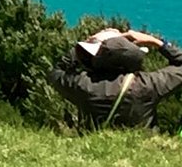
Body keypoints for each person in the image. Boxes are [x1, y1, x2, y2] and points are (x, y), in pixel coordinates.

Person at [49, 27, 182, 130]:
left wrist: (85, 45)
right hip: (144, 154)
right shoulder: (148, 85)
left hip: (95, 156)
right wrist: (157, 42)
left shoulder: (84, 85)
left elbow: (57, 72)